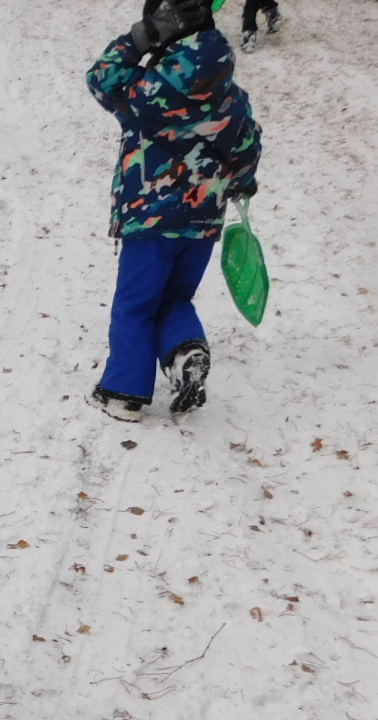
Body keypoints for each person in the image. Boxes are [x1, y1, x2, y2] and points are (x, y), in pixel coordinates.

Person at [84, 0, 261, 421]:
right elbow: (247, 150)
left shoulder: (148, 91)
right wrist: (242, 181)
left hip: (151, 220)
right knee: (175, 296)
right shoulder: (231, 98)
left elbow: (101, 78)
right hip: (202, 222)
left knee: (136, 305)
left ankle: (123, 394)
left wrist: (140, 37)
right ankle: (186, 352)